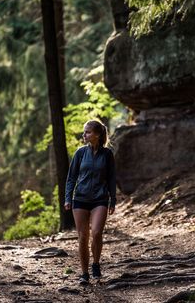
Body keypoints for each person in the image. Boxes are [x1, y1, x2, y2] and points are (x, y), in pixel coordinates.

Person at [64, 120, 116, 285]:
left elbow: (111, 178)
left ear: (98, 135)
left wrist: (112, 200)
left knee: (97, 233)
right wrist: (67, 198)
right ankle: (84, 273)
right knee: (82, 237)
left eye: (87, 132)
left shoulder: (107, 154)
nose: (84, 135)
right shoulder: (80, 153)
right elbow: (71, 178)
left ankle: (96, 264)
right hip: (80, 199)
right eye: (84, 131)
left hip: (100, 199)